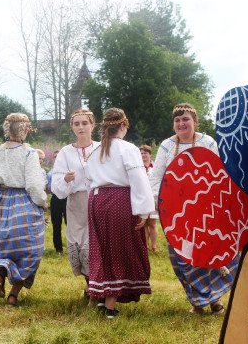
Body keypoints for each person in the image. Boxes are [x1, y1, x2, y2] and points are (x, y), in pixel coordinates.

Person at [149, 103, 238, 314]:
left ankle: (214, 299)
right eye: (178, 120)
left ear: (195, 122)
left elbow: (220, 172)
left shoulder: (208, 143)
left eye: (185, 119)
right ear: (174, 124)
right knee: (183, 257)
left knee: (207, 254)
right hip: (176, 211)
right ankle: (197, 302)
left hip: (206, 209)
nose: (181, 124)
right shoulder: (166, 146)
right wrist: (155, 202)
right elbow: (157, 177)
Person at [85, 108, 154, 319]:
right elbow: (138, 180)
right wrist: (144, 211)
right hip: (119, 201)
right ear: (123, 126)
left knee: (102, 249)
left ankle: (101, 294)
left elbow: (88, 180)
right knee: (119, 249)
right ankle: (110, 305)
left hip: (96, 200)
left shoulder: (94, 150)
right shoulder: (128, 148)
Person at [0, 113, 47, 306]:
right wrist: (42, 201)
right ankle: (13, 295)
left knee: (3, 244)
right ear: (25, 129)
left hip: (0, 200)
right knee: (30, 249)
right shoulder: (29, 152)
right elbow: (34, 184)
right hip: (23, 201)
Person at [51, 109, 100, 292]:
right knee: (79, 244)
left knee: (96, 245)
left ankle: (96, 289)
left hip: (99, 200)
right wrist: (66, 179)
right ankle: (90, 286)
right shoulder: (66, 152)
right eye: (77, 124)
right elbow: (57, 187)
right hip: (76, 204)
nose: (81, 127)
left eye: (85, 123)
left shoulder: (101, 148)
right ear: (72, 127)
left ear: (92, 125)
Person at [47, 151, 68, 255]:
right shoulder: (50, 173)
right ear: (53, 159)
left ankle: (71, 247)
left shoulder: (68, 171)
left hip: (67, 198)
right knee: (56, 224)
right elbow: (47, 189)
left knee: (70, 224)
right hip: (55, 198)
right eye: (55, 157)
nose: (57, 158)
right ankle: (58, 249)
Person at [139, 145, 159, 252]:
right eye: (141, 153)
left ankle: (154, 245)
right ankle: (145, 244)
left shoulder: (155, 167)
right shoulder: (138, 167)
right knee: (144, 223)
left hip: (153, 197)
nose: (143, 155)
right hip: (142, 198)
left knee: (152, 223)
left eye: (145, 153)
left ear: (150, 154)